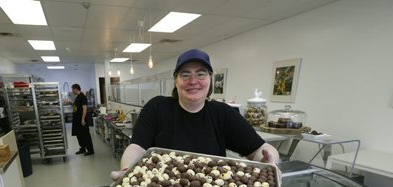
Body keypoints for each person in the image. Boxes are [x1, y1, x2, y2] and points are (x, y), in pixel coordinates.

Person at [111, 48, 279, 179]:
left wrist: (268, 161)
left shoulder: (223, 114)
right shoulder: (157, 108)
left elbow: (260, 150)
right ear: (176, 81)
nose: (193, 81)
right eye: (185, 75)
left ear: (210, 79)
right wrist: (128, 170)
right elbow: (137, 147)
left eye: (200, 74)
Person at [71, 83, 94, 156]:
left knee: (85, 134)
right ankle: (83, 148)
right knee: (79, 134)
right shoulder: (77, 97)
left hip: (81, 120)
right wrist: (70, 103)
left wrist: (83, 119)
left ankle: (90, 150)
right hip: (77, 120)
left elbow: (85, 108)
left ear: (75, 89)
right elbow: (76, 107)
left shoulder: (82, 97)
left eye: (72, 89)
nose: (72, 91)